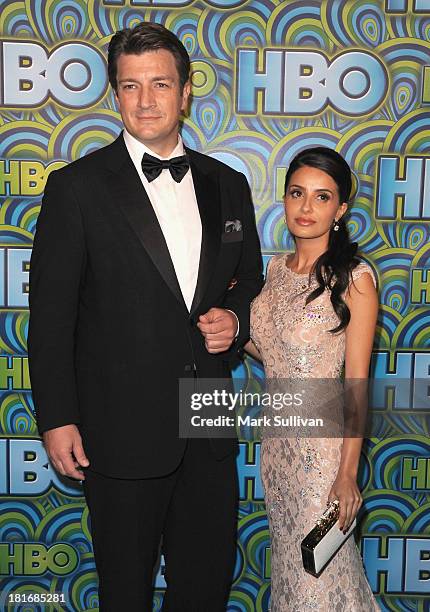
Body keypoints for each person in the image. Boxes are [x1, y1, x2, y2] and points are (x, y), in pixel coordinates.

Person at [28, 22, 263, 611]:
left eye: (160, 84)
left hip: (206, 426)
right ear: (115, 94)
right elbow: (50, 316)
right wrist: (58, 418)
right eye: (130, 86)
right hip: (118, 430)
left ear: (185, 92)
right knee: (125, 593)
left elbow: (251, 277)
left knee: (205, 589)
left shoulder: (228, 184)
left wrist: (234, 317)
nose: (146, 100)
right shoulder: (77, 188)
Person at [246, 147, 380, 610]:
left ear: (340, 209)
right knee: (290, 574)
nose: (306, 208)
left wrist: (346, 473)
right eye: (297, 194)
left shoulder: (355, 278)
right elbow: (276, 353)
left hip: (321, 456)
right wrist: (228, 332)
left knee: (316, 583)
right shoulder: (275, 270)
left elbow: (356, 385)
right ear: (283, 199)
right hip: (277, 445)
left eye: (322, 197)